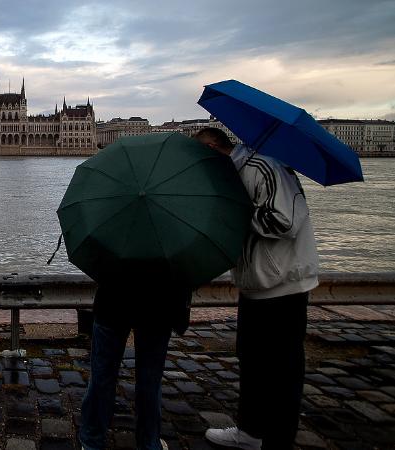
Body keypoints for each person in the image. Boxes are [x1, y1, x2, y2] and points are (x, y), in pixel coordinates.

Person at [194, 127, 319, 450]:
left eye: (201, 158)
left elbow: (285, 222)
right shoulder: (234, 174)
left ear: (212, 148)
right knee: (251, 360)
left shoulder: (266, 166)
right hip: (256, 283)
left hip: (285, 286)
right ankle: (250, 432)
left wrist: (235, 212)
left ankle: (279, 441)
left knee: (283, 371)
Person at [79, 265, 192, 450]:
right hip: (159, 302)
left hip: (113, 296)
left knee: (102, 376)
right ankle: (149, 442)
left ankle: (92, 441)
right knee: (150, 380)